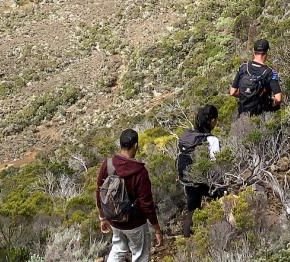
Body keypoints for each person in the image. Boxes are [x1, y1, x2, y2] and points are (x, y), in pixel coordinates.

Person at [95, 128, 163, 262]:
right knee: (140, 256)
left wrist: (102, 217)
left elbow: (99, 192)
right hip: (135, 224)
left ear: (120, 144)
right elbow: (147, 204)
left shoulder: (108, 164)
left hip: (114, 220)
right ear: (135, 145)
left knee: (118, 250)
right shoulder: (140, 172)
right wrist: (157, 229)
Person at [177, 104, 222, 238]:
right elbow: (216, 163)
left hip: (188, 180)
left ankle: (187, 239)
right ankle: (220, 231)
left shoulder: (186, 136)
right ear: (212, 121)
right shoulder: (211, 140)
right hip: (205, 181)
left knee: (192, 209)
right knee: (222, 198)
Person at [229, 38, 283, 116]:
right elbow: (278, 99)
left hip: (242, 115)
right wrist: (269, 102)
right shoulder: (270, 73)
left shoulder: (243, 67)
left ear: (254, 52)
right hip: (261, 115)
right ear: (267, 52)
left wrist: (248, 94)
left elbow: (232, 92)